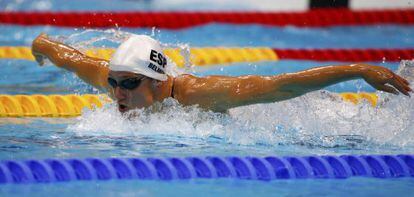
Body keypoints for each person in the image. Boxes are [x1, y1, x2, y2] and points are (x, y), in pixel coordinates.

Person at [31, 33, 411, 113]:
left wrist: (360, 70)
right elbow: (67, 55)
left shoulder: (197, 94)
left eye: (129, 84)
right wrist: (42, 48)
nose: (117, 93)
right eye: (114, 83)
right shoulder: (111, 77)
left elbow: (280, 87)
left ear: (159, 81)